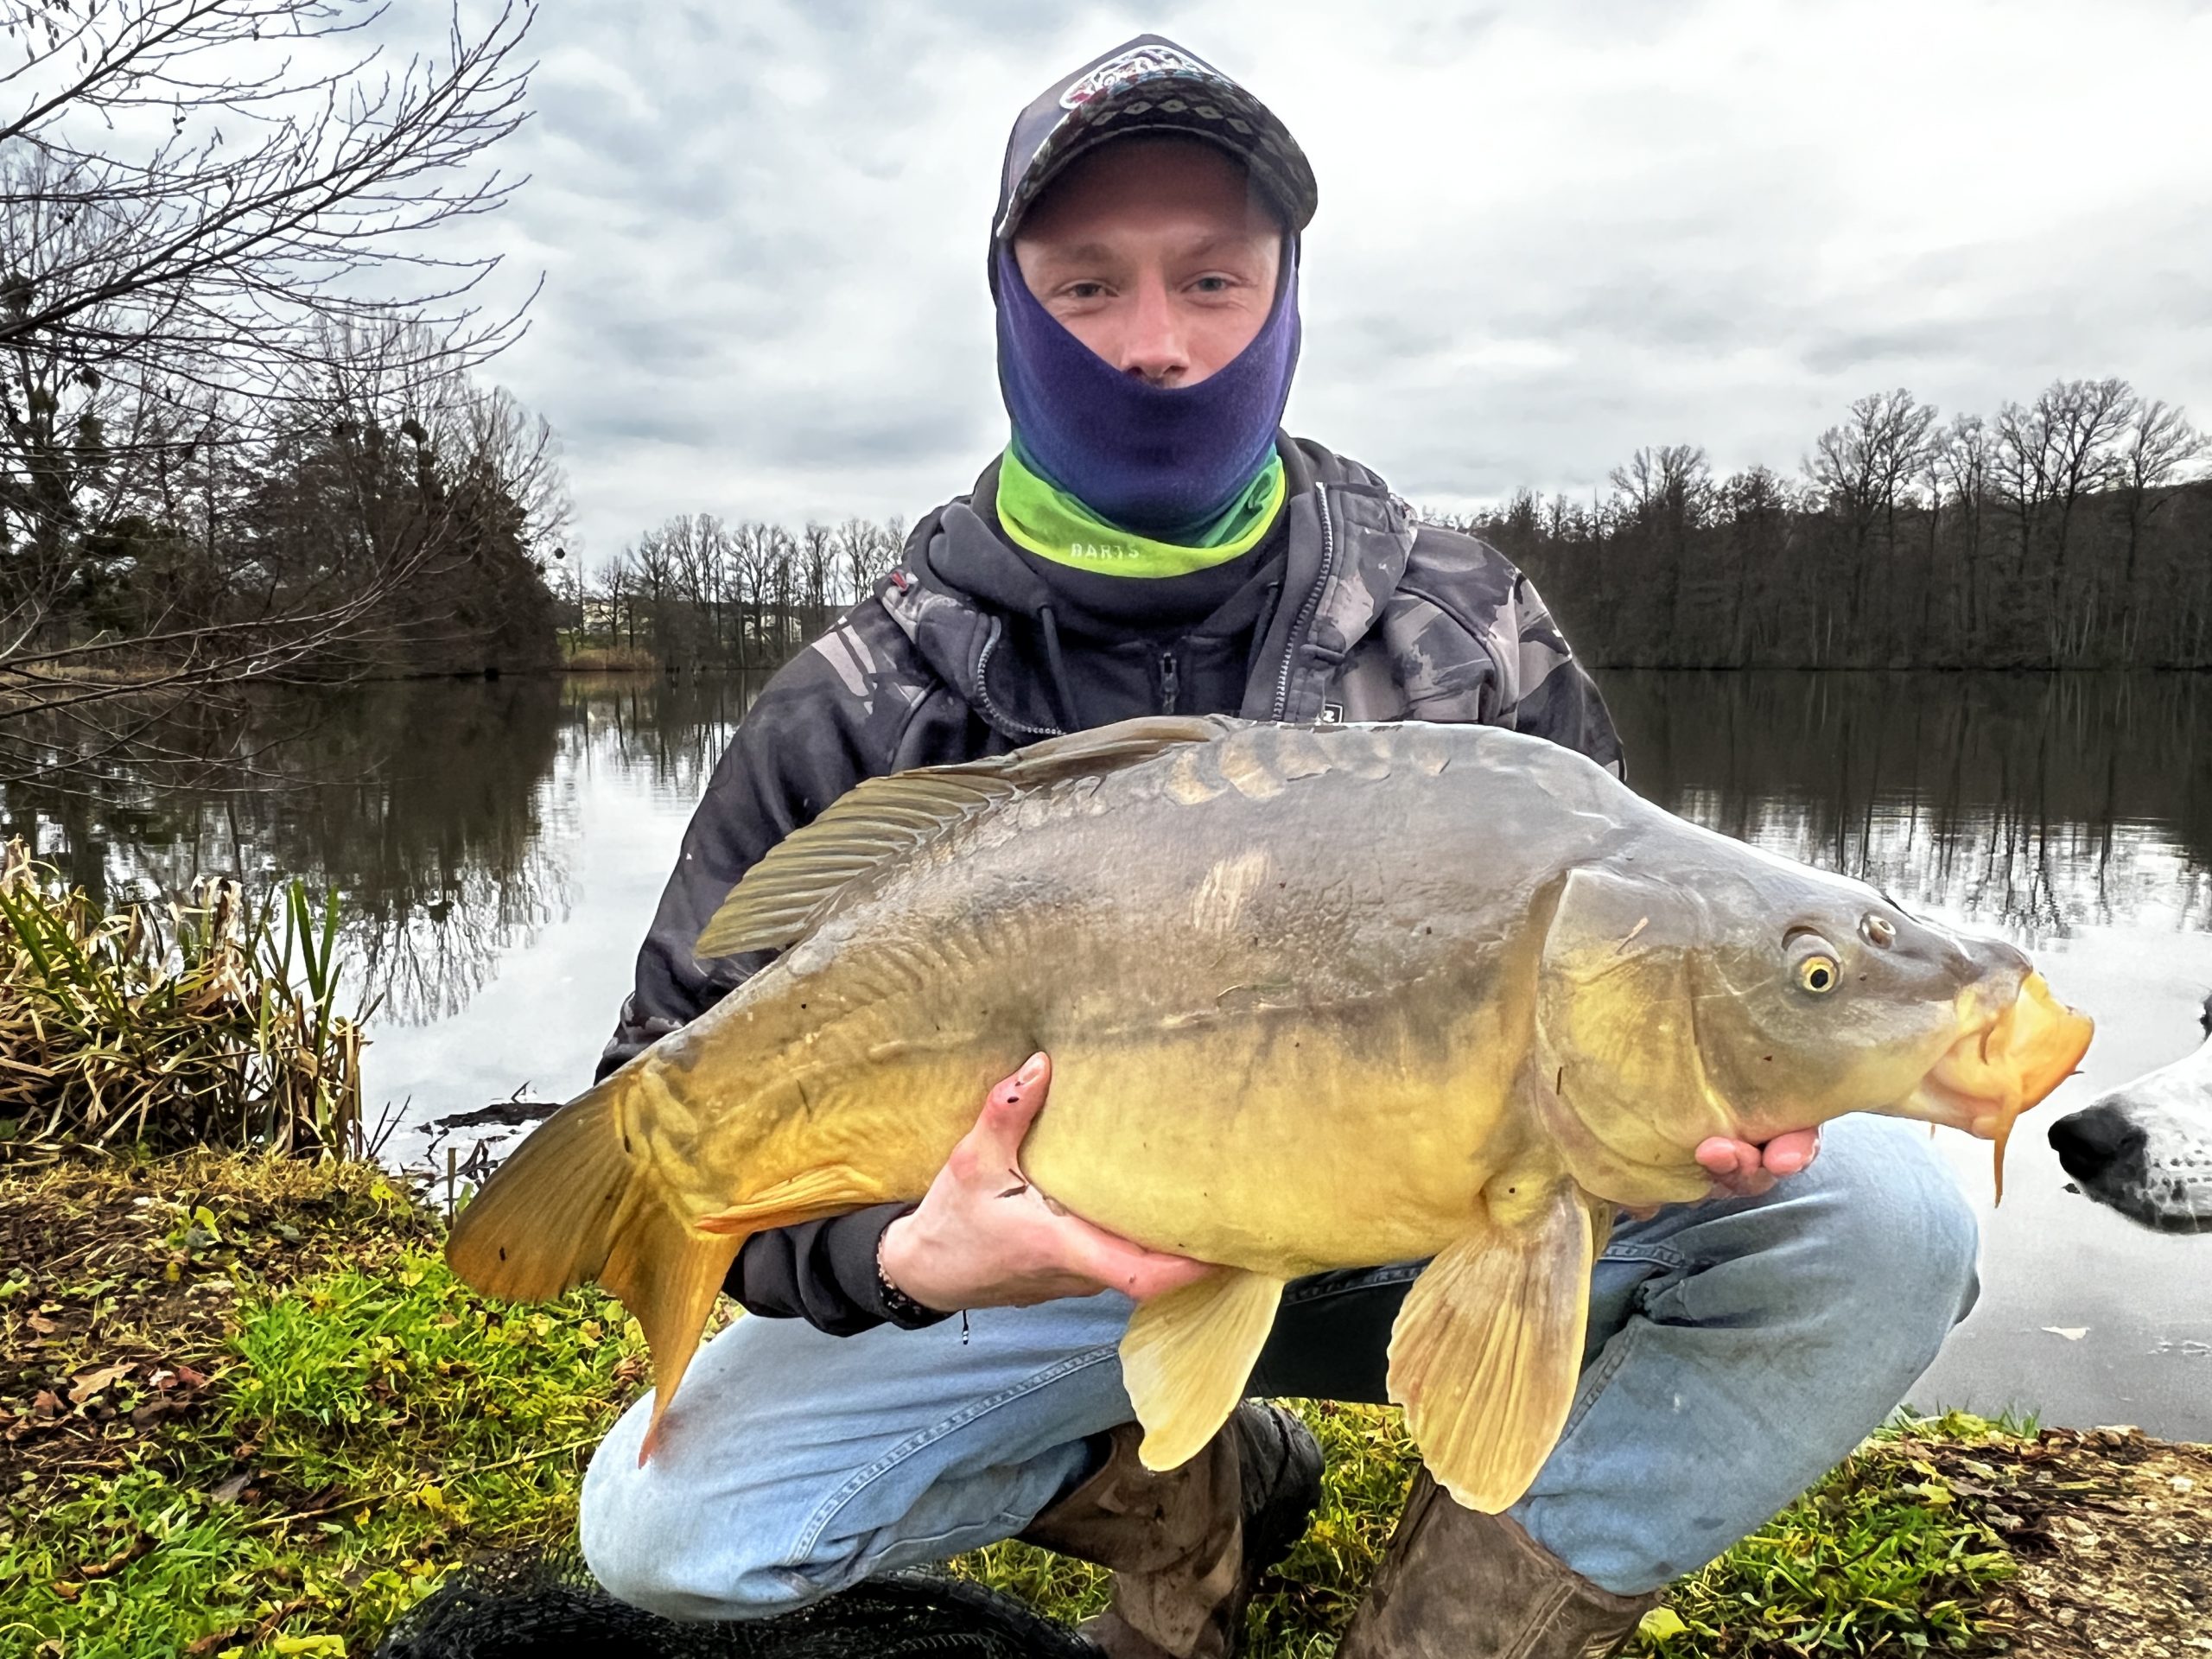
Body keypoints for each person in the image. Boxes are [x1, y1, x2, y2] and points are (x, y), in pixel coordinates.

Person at [576, 36, 1980, 1659]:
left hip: (1425, 1221)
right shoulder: (859, 703)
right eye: (1089, 286)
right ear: (1010, 307)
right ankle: (1197, 1480)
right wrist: (908, 1255)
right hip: (1068, 1269)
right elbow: (662, 1094)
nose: (1157, 347)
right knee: (670, 1531)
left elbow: (1634, 978)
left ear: (1286, 297)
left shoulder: (1466, 636)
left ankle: (1455, 1626)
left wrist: (1694, 1111)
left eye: (1213, 282)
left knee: (1883, 1220)